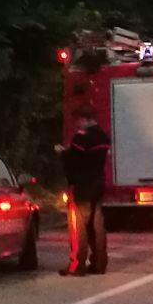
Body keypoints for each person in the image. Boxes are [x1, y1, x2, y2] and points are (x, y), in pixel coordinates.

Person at [55, 105, 110, 276]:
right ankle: (99, 263)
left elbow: (74, 160)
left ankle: (77, 265)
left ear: (84, 119)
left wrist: (62, 153)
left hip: (82, 186)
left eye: (78, 120)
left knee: (78, 226)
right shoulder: (103, 136)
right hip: (98, 183)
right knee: (97, 225)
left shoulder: (81, 138)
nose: (77, 124)